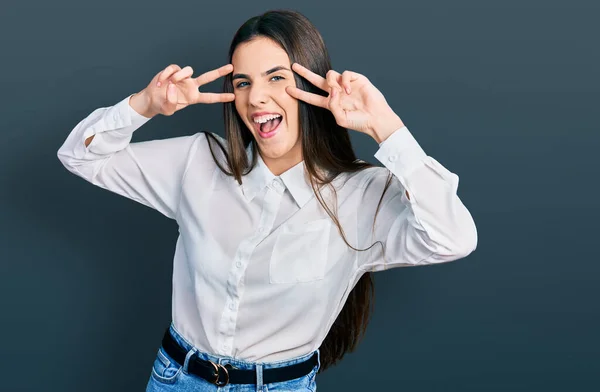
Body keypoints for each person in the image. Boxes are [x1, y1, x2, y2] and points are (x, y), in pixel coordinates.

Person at [57, 9, 477, 392]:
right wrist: (144, 106)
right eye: (243, 82)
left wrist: (387, 127)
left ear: (313, 83)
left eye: (276, 78)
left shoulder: (364, 193)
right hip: (175, 380)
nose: (255, 98)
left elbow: (453, 239)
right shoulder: (198, 161)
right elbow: (78, 156)